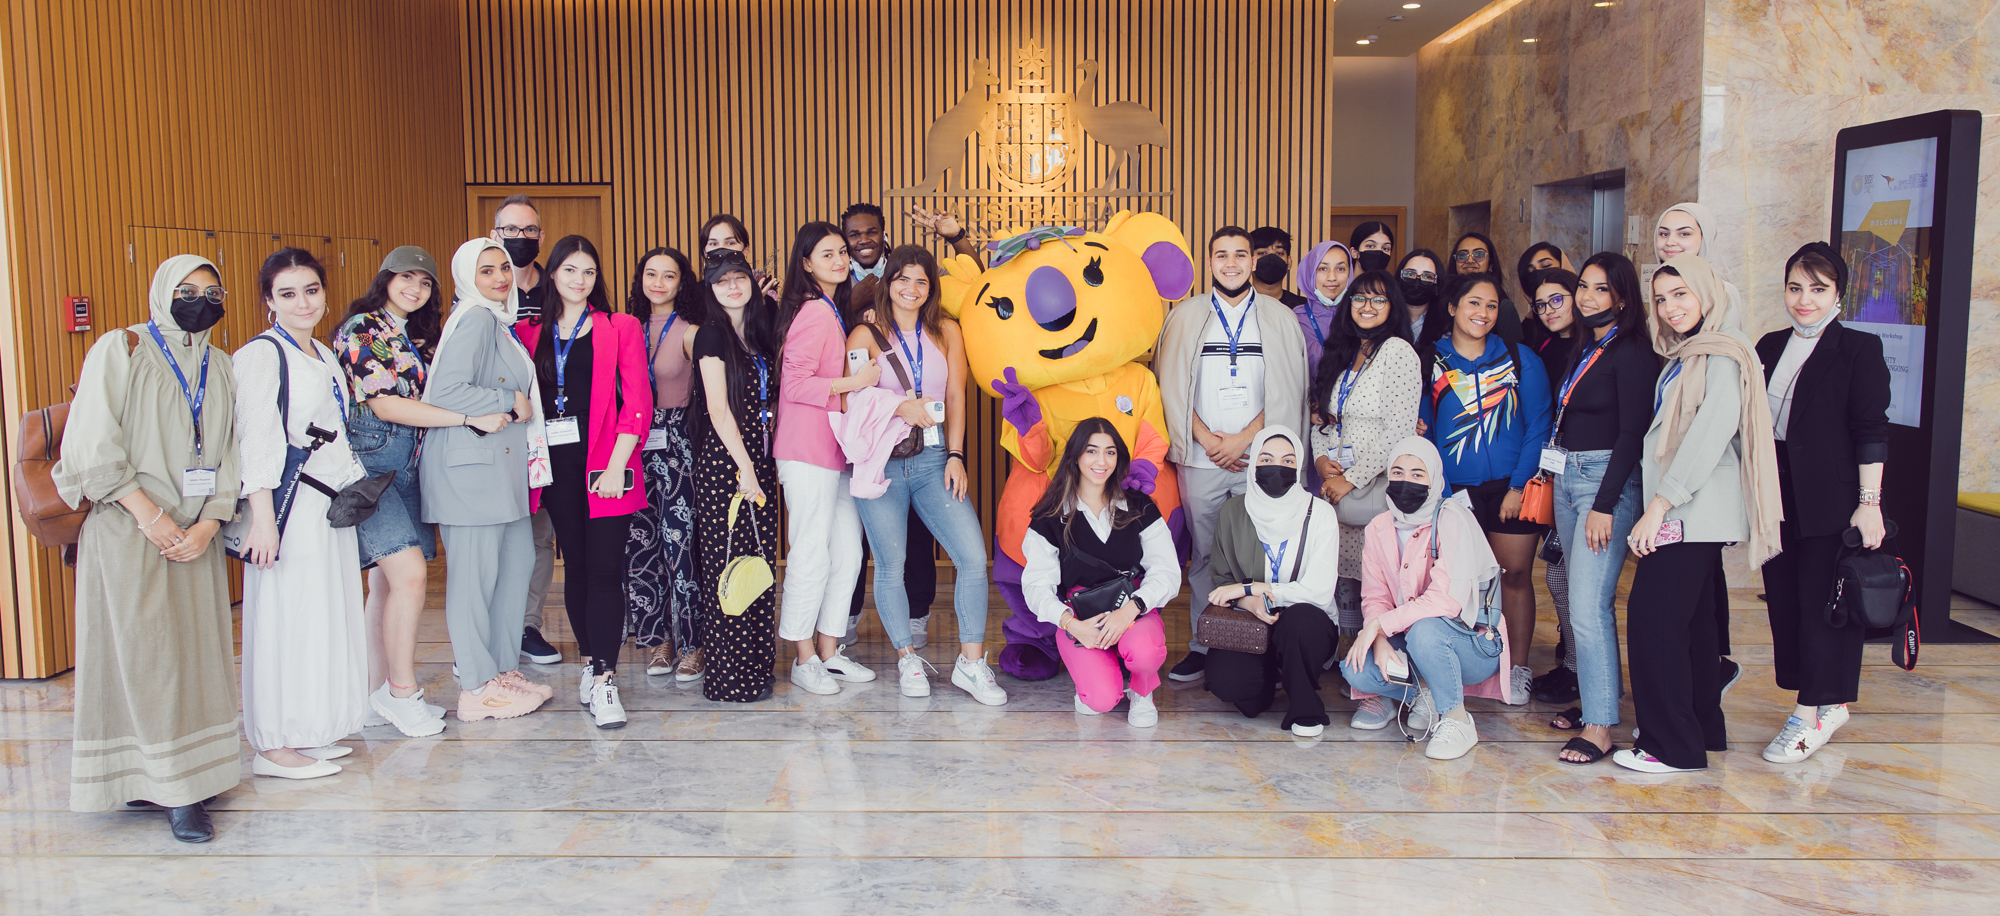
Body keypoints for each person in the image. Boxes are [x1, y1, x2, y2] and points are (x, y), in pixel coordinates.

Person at [55, 255, 241, 842]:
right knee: (145, 659)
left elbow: (231, 449)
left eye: (212, 291)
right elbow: (92, 439)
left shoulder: (221, 364)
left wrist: (210, 522)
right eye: (186, 290)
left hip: (195, 537)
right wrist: (149, 514)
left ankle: (191, 773)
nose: (200, 300)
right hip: (131, 529)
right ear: (162, 292)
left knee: (197, 655)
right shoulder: (123, 348)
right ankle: (170, 788)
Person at [1615, 253, 1782, 774]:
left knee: (1654, 624)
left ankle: (1670, 745)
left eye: (1681, 295)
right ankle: (1704, 730)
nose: (1669, 308)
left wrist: (1659, 505)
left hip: (1690, 510)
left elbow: (1710, 434)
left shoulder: (1723, 353)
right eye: (1661, 300)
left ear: (1708, 291)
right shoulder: (1693, 352)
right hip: (1692, 510)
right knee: (1693, 627)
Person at [848, 245, 1008, 704]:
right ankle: (906, 658)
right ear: (888, 282)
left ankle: (971, 663)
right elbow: (850, 402)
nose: (912, 289)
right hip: (881, 462)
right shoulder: (864, 334)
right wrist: (898, 406)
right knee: (891, 564)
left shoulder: (947, 331)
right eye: (902, 279)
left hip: (935, 459)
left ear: (931, 288)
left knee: (973, 559)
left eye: (921, 282)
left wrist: (957, 455)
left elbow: (955, 397)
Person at [233, 248, 370, 779]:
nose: (303, 301)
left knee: (321, 617)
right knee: (283, 620)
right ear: (269, 300)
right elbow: (258, 442)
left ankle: (307, 728)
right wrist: (263, 520)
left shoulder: (320, 351)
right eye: (288, 293)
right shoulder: (262, 356)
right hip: (288, 506)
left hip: (326, 502)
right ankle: (273, 744)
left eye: (311, 289)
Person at [1155, 226, 1311, 683]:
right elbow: (1169, 389)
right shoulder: (1183, 316)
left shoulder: (1280, 318)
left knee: (1266, 549)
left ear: (1252, 261)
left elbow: (1290, 388)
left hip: (1261, 457)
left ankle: (1267, 642)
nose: (1231, 263)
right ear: (1209, 262)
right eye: (1221, 255)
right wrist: (1205, 438)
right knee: (1206, 552)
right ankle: (1206, 643)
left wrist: (1246, 439)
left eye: (1240, 255)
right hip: (1201, 457)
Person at [1754, 242, 1889, 763]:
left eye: (1817, 289)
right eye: (1795, 288)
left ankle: (1814, 711)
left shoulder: (1858, 348)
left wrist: (1870, 502)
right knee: (1785, 604)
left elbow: (1871, 430)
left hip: (1832, 501)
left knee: (1823, 607)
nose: (1804, 300)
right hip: (1777, 496)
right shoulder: (1768, 346)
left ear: (1838, 294)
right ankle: (1814, 697)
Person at [334, 246, 472, 738]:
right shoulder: (362, 328)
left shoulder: (417, 336)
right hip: (373, 467)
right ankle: (401, 693)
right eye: (405, 278)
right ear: (385, 278)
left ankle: (376, 695)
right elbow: (387, 405)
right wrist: (466, 418)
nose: (415, 288)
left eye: (425, 282)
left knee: (387, 584)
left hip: (411, 465)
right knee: (410, 577)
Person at [516, 235, 653, 728]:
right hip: (555, 470)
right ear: (551, 274)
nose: (579, 279)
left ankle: (605, 680)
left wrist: (619, 464)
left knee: (605, 569)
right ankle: (593, 662)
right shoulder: (529, 332)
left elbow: (638, 399)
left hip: (607, 465)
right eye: (570, 270)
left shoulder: (620, 327)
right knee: (574, 567)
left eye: (588, 272)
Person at [422, 237, 552, 722]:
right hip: (470, 474)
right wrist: (507, 402)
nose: (500, 278)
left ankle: (499, 671)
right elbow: (447, 390)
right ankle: (476, 686)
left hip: (502, 474)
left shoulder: (501, 321)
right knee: (474, 584)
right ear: (466, 279)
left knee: (513, 570)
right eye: (486, 271)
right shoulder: (475, 319)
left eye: (503, 268)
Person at [1541, 254, 1655, 764]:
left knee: (1589, 606)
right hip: (1568, 478)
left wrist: (1606, 505)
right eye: (1582, 287)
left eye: (1600, 289)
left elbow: (1633, 433)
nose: (1586, 297)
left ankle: (1601, 727)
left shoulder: (1630, 351)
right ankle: (1595, 698)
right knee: (1578, 601)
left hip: (1602, 484)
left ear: (1623, 298)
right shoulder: (1589, 345)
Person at [1341, 436, 1516, 759]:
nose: (1406, 481)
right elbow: (1374, 595)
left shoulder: (1452, 519)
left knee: (1426, 630)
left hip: (1470, 644)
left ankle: (1456, 719)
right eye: (1398, 473)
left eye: (1418, 474)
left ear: (1435, 479)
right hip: (1411, 641)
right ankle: (1426, 692)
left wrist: (1379, 625)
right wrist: (1378, 639)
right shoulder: (1379, 527)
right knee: (1356, 669)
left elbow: (1445, 602)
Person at [1419, 272, 1548, 702]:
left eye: (1492, 306)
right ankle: (1467, 664)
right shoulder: (1429, 361)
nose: (1483, 313)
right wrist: (1446, 493)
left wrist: (1518, 487)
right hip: (1457, 492)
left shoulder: (1518, 357)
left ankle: (1518, 668)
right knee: (1460, 580)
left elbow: (1537, 427)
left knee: (1514, 576)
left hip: (1513, 488)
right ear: (1453, 307)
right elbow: (1426, 432)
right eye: (1474, 303)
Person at [773, 221, 877, 694]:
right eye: (827, 254)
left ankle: (830, 650)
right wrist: (852, 384)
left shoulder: (830, 309)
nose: (839, 260)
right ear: (806, 263)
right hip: (805, 450)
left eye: (842, 253)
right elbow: (793, 386)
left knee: (848, 553)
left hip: (833, 451)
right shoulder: (813, 311)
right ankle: (803, 656)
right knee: (811, 552)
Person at [1023, 419, 1178, 726]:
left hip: (1133, 607)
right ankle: (1097, 680)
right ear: (1076, 457)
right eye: (1091, 451)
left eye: (1110, 452)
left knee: (1144, 651)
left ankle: (1142, 689)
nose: (1101, 461)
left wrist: (1131, 610)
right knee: (1100, 701)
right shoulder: (1049, 516)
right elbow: (1036, 587)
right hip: (1080, 616)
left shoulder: (1140, 506)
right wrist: (1071, 625)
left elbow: (1167, 571)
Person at [838, 202, 945, 648]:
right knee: (858, 534)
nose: (862, 240)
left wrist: (955, 237)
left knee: (917, 533)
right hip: (867, 431)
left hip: (925, 441)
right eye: (854, 235)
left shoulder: (907, 278)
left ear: (883, 236)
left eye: (871, 232)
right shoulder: (835, 281)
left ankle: (916, 613)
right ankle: (845, 615)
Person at [1653, 202, 1749, 696]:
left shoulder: (1718, 314)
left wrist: (1662, 501)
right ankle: (1705, 705)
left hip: (1692, 495)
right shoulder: (1677, 334)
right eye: (1664, 232)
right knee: (1696, 606)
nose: (1671, 241)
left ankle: (1697, 695)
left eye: (1684, 233)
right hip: (1682, 494)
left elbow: (1713, 420)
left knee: (1670, 615)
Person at [1203, 427, 1342, 737]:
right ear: (1254, 465)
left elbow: (1318, 592)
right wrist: (1247, 600)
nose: (1277, 468)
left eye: (1288, 461)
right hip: (1249, 619)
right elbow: (1222, 581)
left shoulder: (1319, 514)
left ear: (1299, 467)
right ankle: (1266, 681)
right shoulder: (1233, 512)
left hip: (1303, 622)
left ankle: (1305, 705)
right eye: (1266, 459)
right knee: (1230, 684)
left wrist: (1252, 588)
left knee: (1301, 621)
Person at [690, 249, 782, 702]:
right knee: (729, 569)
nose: (732, 286)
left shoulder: (757, 334)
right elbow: (717, 409)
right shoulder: (710, 335)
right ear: (710, 288)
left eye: (739, 277)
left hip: (758, 462)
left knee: (759, 568)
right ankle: (729, 678)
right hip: (728, 465)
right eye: (722, 280)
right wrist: (746, 468)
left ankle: (757, 668)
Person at [1309, 269, 1421, 631]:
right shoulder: (1344, 352)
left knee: (1377, 581)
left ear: (1393, 307)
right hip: (1339, 484)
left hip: (1375, 487)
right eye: (1359, 297)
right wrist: (1322, 458)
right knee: (1345, 579)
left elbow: (1399, 430)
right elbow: (1324, 418)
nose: (1367, 305)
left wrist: (1352, 479)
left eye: (1378, 299)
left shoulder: (1397, 352)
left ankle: (1379, 660)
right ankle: (1349, 658)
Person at [622, 247, 706, 682]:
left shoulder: (691, 332)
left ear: (680, 283)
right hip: (630, 442)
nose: (658, 283)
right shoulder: (625, 328)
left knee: (680, 545)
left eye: (668, 276)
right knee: (640, 546)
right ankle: (657, 640)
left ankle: (692, 645)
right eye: (650, 274)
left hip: (676, 443)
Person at [490, 194, 564, 667]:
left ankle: (526, 626)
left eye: (529, 231)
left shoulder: (556, 288)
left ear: (540, 235)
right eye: (510, 231)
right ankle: (488, 630)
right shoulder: (480, 292)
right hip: (496, 432)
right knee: (495, 536)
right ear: (494, 235)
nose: (520, 239)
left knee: (540, 537)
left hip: (552, 433)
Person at [1437, 232, 1522, 346]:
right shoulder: (1441, 301)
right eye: (1462, 255)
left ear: (1491, 265)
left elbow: (1514, 355)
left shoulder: (1504, 308)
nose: (1470, 260)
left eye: (1479, 255)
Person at [1291, 240, 1353, 378]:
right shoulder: (1294, 319)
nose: (1332, 277)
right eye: (1323, 269)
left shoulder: (1359, 316)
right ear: (1310, 273)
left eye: (1340, 269)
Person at [700, 213, 781, 300]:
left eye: (730, 243)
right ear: (705, 252)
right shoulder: (693, 296)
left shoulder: (763, 298)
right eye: (714, 244)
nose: (722, 249)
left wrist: (756, 306)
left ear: (745, 250)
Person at [1250, 226, 1307, 309]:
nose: (1271, 258)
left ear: (1289, 262)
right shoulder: (1235, 305)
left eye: (1279, 253)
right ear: (1249, 261)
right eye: (1262, 253)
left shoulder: (1303, 308)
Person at [1396, 249, 1443, 343]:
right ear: (1399, 278)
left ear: (1437, 285)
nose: (1417, 280)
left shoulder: (1446, 325)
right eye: (1410, 274)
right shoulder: (1383, 317)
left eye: (1427, 276)